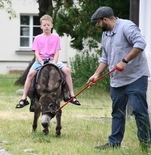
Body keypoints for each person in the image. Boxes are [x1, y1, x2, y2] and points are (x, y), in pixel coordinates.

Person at [88, 6, 151, 151]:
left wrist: (124, 61)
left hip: (136, 77)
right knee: (117, 112)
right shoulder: (105, 35)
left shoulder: (126, 27)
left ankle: (146, 143)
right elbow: (105, 58)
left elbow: (140, 44)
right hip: (117, 81)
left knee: (139, 111)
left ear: (105, 19)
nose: (98, 25)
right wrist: (96, 74)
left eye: (98, 22)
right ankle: (114, 143)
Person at [15, 14, 80, 109]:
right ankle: (24, 98)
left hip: (53, 59)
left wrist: (54, 62)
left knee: (67, 71)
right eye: (44, 25)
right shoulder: (37, 38)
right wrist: (41, 62)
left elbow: (57, 52)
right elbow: (36, 53)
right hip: (40, 60)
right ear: (41, 26)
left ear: (51, 26)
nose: (46, 27)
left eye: (48, 25)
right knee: (30, 74)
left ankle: (71, 95)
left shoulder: (56, 38)